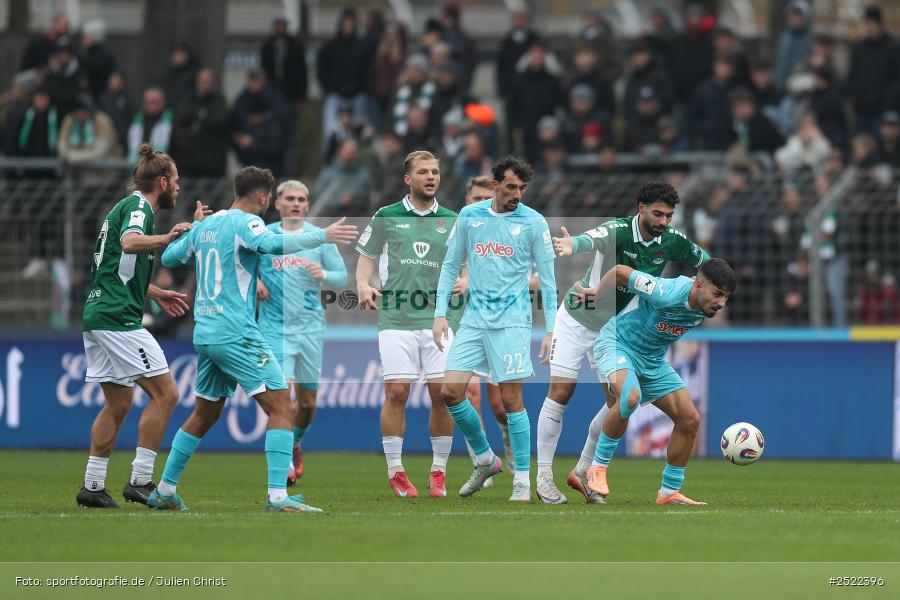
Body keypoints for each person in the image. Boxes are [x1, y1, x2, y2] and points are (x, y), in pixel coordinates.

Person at [154, 167, 358, 512]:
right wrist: (321, 236)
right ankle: (278, 496)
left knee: (204, 414)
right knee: (282, 406)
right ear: (264, 197)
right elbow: (270, 243)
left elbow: (170, 258)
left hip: (205, 330)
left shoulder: (210, 222)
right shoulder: (247, 223)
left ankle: (165, 489)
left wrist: (195, 226)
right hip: (237, 332)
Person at [544, 181, 709, 505]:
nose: (663, 221)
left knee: (618, 403)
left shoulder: (671, 241)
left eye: (669, 215)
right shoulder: (618, 231)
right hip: (580, 315)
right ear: (641, 208)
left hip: (614, 327)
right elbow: (590, 239)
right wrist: (571, 245)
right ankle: (542, 478)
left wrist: (717, 283)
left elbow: (706, 262)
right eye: (657, 213)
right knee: (562, 391)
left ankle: (582, 471)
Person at [75, 144, 207, 508]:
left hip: (99, 314)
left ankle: (92, 485)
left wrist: (156, 292)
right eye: (176, 181)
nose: (178, 188)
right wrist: (166, 239)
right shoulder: (138, 208)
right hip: (118, 318)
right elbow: (129, 243)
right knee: (166, 394)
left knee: (119, 403)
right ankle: (141, 481)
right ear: (162, 182)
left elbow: (116, 266)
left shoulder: (123, 208)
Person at [433, 155, 557, 502]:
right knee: (450, 392)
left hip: (512, 322)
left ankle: (521, 480)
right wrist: (439, 314)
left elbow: (548, 282)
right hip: (473, 320)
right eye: (512, 186)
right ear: (495, 185)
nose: (518, 193)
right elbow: (448, 266)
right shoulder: (470, 216)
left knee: (510, 400)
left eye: (522, 188)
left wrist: (550, 330)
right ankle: (485, 458)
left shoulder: (533, 222)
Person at [355, 151, 465, 498]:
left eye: (435, 171)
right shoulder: (386, 216)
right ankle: (396, 470)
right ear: (408, 179)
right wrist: (362, 284)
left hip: (439, 319)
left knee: (443, 395)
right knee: (397, 392)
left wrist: (467, 279)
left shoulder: (452, 219)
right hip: (396, 318)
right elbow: (367, 259)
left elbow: (467, 263)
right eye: (423, 172)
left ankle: (438, 471)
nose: (431, 177)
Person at [582, 260, 736, 505]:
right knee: (629, 398)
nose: (721, 303)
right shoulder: (665, 292)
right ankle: (597, 469)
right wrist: (597, 295)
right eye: (717, 294)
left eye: (726, 297)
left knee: (690, 420)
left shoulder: (705, 306)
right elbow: (621, 271)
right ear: (697, 285)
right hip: (618, 344)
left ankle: (668, 492)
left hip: (652, 360)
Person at [256, 180, 347, 484]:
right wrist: (254, 282)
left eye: (301, 199)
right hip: (274, 328)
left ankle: (295, 441)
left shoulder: (319, 239)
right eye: (290, 199)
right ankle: (283, 471)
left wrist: (324, 274)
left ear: (308, 206)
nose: (296, 204)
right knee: (283, 401)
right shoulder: (264, 235)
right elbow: (241, 266)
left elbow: (341, 277)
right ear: (277, 203)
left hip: (309, 330)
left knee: (307, 403)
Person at [461, 176, 515, 487]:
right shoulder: (456, 230)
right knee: (467, 394)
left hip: (498, 322)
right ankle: (482, 463)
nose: (480, 202)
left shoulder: (506, 232)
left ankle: (507, 437)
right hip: (463, 323)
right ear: (467, 199)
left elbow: (531, 279)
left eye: (486, 197)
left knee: (500, 404)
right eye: (475, 197)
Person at [127, 88, 172, 162]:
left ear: (163, 102)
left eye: (155, 101)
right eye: (148, 101)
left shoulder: (171, 121)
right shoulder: (137, 120)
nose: (151, 104)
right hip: (138, 167)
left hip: (163, 167)